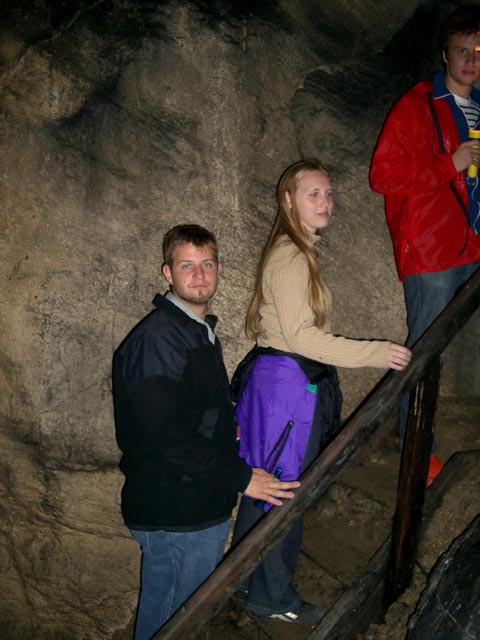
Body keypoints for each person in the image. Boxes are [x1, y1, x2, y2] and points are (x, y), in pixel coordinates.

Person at [230, 160, 412, 624]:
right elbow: (303, 338)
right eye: (314, 194)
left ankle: (247, 582)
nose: (325, 202)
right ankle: (273, 597)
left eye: (328, 194)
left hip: (281, 384)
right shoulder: (292, 256)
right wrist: (376, 353)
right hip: (289, 386)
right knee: (284, 493)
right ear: (288, 200)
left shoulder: (296, 249)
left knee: (268, 489)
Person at [112, 224, 300, 639]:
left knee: (168, 611)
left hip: (192, 501)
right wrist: (243, 478)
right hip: (176, 507)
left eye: (207, 264)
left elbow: (201, 419)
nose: (198, 275)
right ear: (168, 273)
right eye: (187, 265)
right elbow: (166, 438)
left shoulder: (196, 333)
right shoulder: (158, 341)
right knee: (178, 620)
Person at [370, 4, 480, 483]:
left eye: (479, 52)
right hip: (433, 252)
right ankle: (418, 452)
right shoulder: (417, 105)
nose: (471, 61)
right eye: (463, 51)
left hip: (473, 248)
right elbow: (383, 176)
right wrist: (448, 164)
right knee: (423, 353)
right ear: (444, 54)